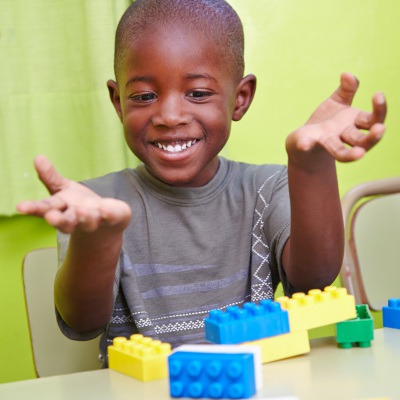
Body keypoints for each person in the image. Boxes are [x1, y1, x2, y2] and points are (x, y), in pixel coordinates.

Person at [17, 0, 387, 365]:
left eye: (197, 93)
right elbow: (81, 323)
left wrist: (310, 168)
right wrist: (97, 240)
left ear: (240, 99)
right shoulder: (95, 207)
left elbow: (315, 282)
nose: (170, 115)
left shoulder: (268, 188)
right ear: (118, 102)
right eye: (145, 96)